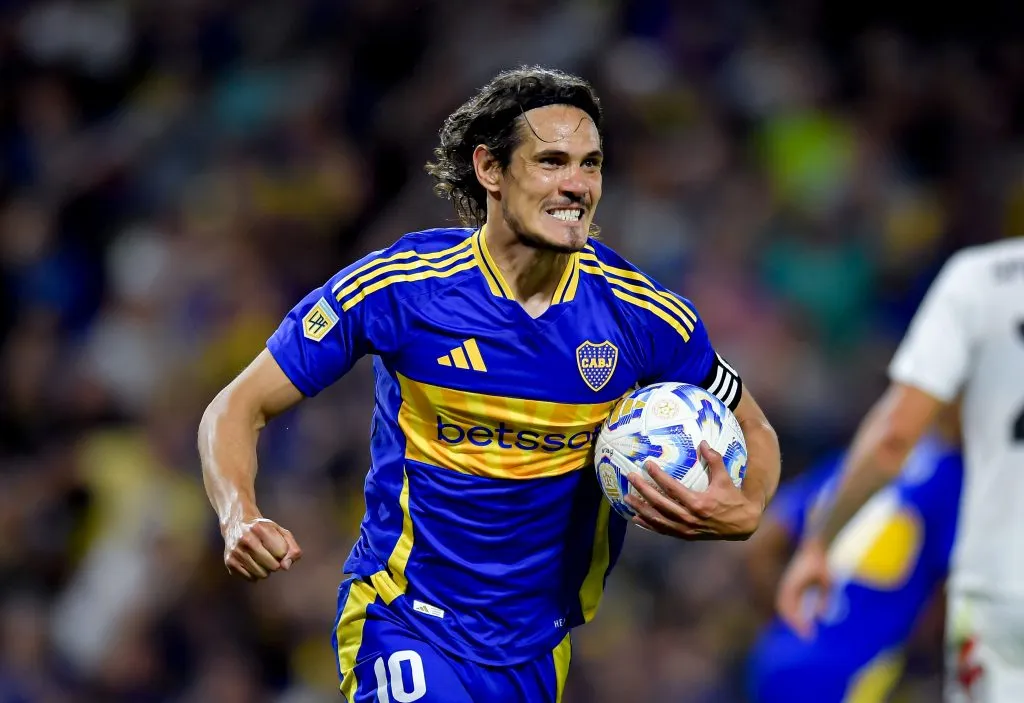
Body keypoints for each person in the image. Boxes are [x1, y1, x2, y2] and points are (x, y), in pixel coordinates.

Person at [198, 66, 781, 703]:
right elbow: (238, 406)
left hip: (536, 650)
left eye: (591, 164)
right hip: (405, 620)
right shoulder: (403, 289)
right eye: (552, 161)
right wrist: (239, 516)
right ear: (490, 169)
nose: (577, 185)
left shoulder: (643, 317)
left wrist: (748, 507)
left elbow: (753, 427)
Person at [777, 238, 1024, 703]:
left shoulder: (981, 279)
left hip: (996, 593)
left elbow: (893, 436)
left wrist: (816, 546)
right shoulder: (949, 476)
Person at [746, 406, 962, 703]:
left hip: (779, 656)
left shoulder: (857, 463)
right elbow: (950, 595)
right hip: (861, 672)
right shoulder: (951, 476)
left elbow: (763, 544)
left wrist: (789, 615)